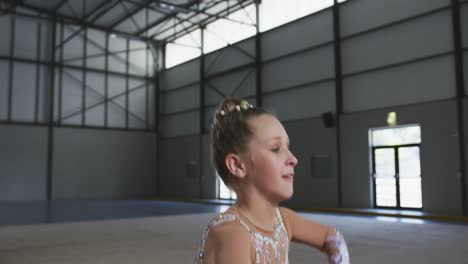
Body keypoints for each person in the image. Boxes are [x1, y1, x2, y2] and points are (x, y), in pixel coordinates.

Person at [194, 97, 350, 264]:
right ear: (237, 165)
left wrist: (338, 257)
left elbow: (331, 236)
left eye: (287, 148)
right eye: (276, 149)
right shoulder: (231, 234)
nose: (293, 159)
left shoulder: (283, 220)